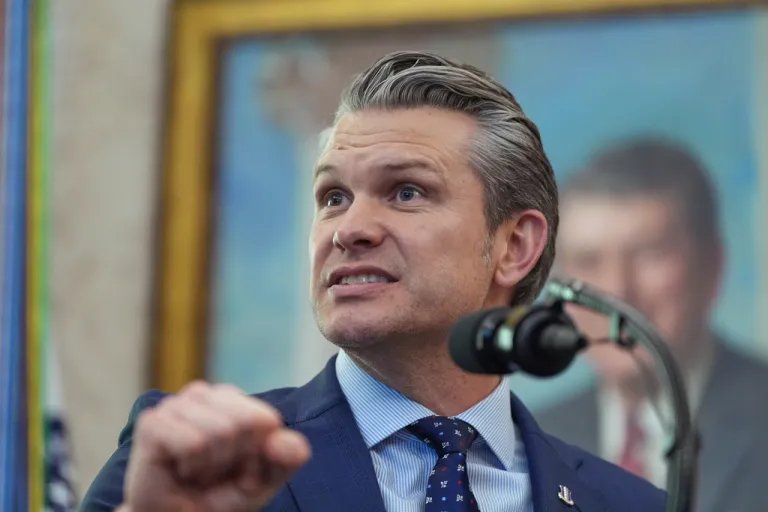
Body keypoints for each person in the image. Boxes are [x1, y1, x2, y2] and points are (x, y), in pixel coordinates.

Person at [81, 51, 665, 512]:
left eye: (406, 191)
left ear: (514, 246)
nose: (349, 229)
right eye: (333, 196)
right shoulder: (197, 466)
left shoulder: (630, 504)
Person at [534, 138, 768, 512]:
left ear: (713, 266)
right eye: (589, 261)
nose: (616, 290)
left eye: (649, 253)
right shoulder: (535, 440)